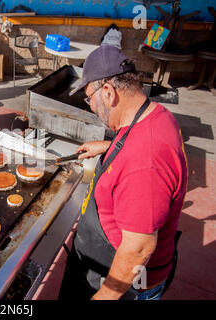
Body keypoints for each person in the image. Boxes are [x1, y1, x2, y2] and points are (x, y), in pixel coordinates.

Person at [58, 45, 187, 300]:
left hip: (123, 282)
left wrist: (105, 296)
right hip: (100, 260)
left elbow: (138, 248)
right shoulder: (154, 116)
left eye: (89, 99)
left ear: (107, 93)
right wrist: (109, 146)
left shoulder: (145, 161)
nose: (91, 107)